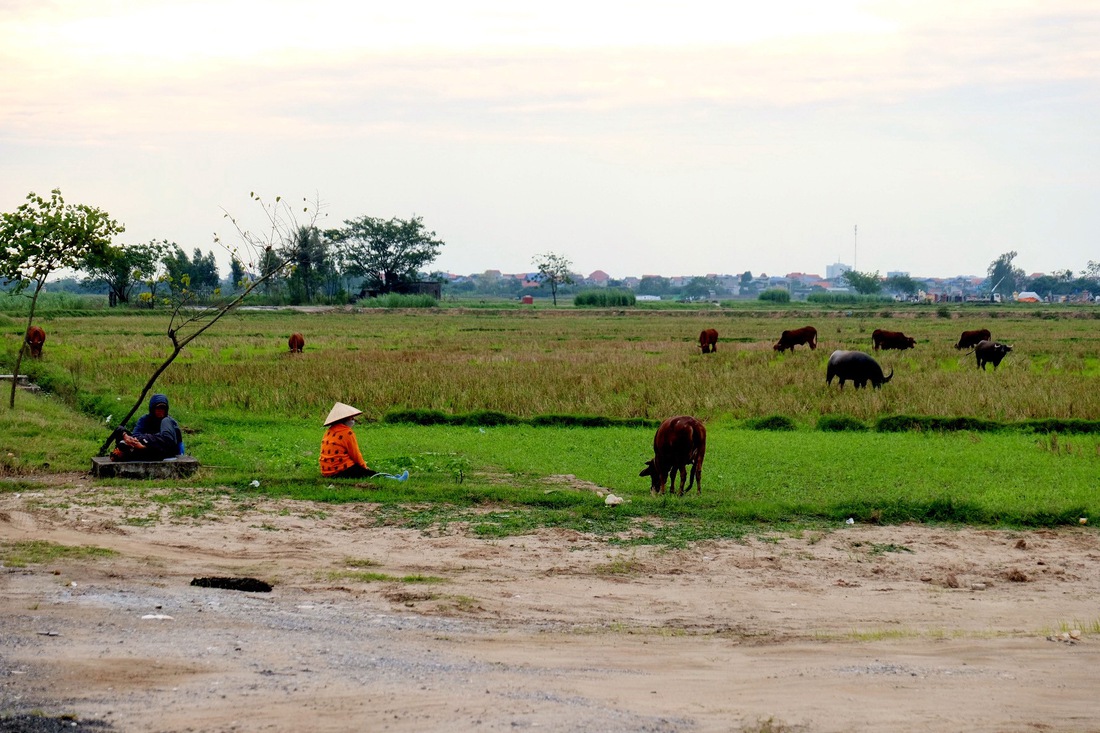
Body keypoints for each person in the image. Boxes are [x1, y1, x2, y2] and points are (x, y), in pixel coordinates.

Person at [110, 393, 184, 462]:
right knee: (120, 431)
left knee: (163, 425)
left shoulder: (169, 421)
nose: (160, 411)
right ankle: (125, 450)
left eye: (162, 409)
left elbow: (173, 441)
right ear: (152, 409)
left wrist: (147, 441)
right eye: (158, 408)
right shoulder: (145, 419)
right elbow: (135, 435)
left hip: (164, 449)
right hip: (148, 450)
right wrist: (127, 437)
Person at [319, 402, 377, 479]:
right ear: (344, 419)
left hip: (326, 471)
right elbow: (355, 454)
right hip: (341, 470)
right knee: (373, 474)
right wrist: (364, 467)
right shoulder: (347, 432)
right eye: (351, 418)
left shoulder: (329, 431)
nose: (353, 420)